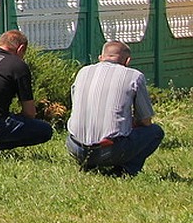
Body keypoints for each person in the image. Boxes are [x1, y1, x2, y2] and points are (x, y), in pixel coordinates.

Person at [66, 41, 164, 176]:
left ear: (101, 57)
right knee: (155, 132)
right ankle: (125, 170)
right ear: (127, 60)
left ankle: (89, 165)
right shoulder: (134, 76)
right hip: (110, 150)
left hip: (75, 147)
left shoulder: (83, 72)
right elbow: (145, 121)